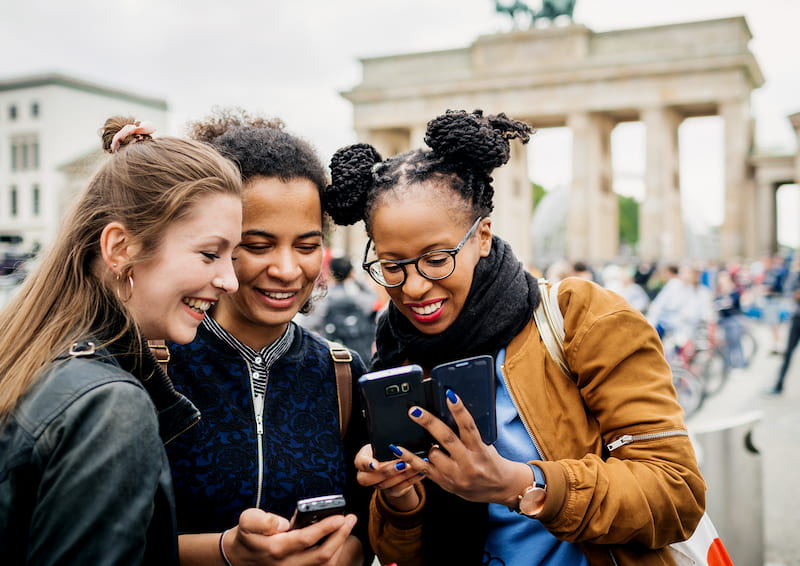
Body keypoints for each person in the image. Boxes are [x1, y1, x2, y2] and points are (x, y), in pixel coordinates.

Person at [322, 109, 705, 565]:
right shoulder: (394, 354)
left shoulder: (582, 318)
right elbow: (398, 553)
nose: (414, 286)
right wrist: (401, 498)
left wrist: (521, 484)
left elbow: (675, 494)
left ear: (482, 235)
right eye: (391, 265)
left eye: (436, 257)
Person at [0, 116, 242, 564]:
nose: (230, 279)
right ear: (120, 248)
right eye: (210, 253)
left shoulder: (32, 353)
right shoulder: (109, 404)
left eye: (233, 255)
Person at [163, 109, 372, 566]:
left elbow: (368, 520)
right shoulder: (152, 365)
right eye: (257, 245)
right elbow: (101, 534)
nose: (286, 269)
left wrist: (350, 552)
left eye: (306, 245)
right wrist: (224, 553)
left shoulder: (342, 372)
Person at [318, 256, 377, 361]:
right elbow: (373, 297)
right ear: (350, 273)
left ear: (330, 272)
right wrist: (356, 279)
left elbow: (309, 323)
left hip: (334, 356)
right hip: (361, 355)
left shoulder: (323, 299)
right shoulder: (359, 299)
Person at [768, 256, 800, 394]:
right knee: (788, 353)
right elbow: (789, 293)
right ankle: (779, 384)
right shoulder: (795, 276)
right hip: (797, 318)